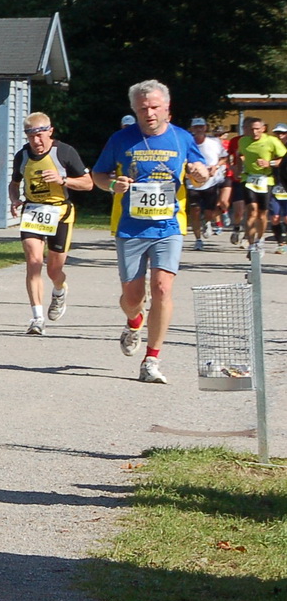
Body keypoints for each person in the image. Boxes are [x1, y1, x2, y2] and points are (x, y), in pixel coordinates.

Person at [90, 79, 210, 384]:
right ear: (135, 110)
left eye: (155, 107)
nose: (150, 113)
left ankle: (152, 359)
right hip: (130, 228)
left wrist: (199, 173)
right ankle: (134, 321)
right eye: (143, 108)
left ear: (167, 108)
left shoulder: (182, 138)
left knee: (161, 288)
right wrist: (111, 185)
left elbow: (201, 174)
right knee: (132, 297)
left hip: (168, 225)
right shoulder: (121, 139)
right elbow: (98, 175)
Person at [8, 113, 92, 334]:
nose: (36, 141)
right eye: (31, 135)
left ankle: (59, 289)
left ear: (50, 131)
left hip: (60, 212)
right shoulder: (22, 156)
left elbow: (88, 183)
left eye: (40, 134)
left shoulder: (64, 152)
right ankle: (37, 318)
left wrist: (62, 179)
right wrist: (15, 199)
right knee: (34, 261)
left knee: (54, 270)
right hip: (33, 211)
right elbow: (14, 183)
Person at [230, 117, 284, 253]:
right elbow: (240, 155)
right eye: (251, 129)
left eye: (257, 129)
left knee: (262, 213)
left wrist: (269, 163)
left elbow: (283, 158)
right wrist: (238, 169)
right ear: (247, 129)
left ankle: (260, 240)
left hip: (266, 180)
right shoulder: (243, 141)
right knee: (251, 210)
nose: (254, 132)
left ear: (263, 129)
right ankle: (251, 242)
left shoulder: (272, 141)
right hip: (248, 179)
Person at [185, 117, 228, 251]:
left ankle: (207, 222)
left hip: (210, 182)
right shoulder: (187, 142)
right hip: (192, 182)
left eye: (201, 127)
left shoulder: (214, 142)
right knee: (195, 210)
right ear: (192, 129)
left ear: (205, 128)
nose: (198, 129)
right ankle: (198, 240)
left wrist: (215, 166)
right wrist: (188, 169)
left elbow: (224, 157)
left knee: (209, 212)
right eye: (196, 127)